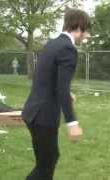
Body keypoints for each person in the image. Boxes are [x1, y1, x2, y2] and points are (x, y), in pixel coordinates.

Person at [22, 8, 91, 180]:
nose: (86, 35)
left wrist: (67, 93)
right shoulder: (68, 49)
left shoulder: (52, 44)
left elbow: (46, 78)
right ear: (80, 27)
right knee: (45, 167)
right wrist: (72, 123)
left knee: (47, 161)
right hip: (43, 116)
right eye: (86, 30)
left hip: (33, 113)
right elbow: (61, 87)